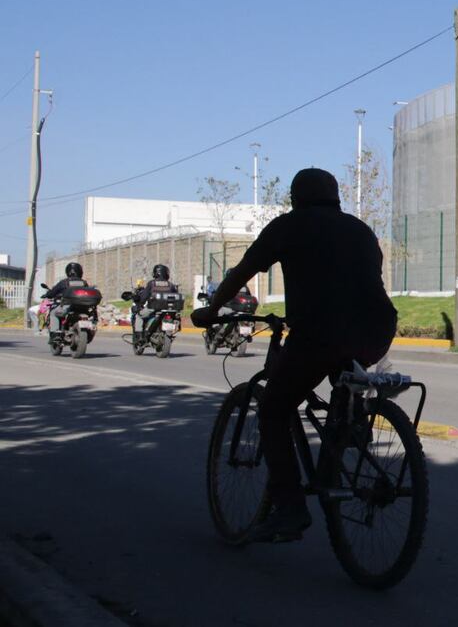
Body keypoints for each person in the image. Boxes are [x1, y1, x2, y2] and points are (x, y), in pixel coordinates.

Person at [192, 167, 397, 543]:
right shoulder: (360, 229)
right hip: (377, 329)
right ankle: (346, 426)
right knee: (343, 374)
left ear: (294, 197)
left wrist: (212, 309)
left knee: (273, 410)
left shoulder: (289, 225)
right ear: (336, 196)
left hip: (320, 333)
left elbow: (242, 272)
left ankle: (290, 508)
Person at [43, 262, 89, 336]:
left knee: (53, 313)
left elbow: (52, 292)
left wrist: (47, 294)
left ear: (67, 271)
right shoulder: (84, 283)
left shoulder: (64, 282)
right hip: (82, 307)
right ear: (80, 271)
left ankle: (55, 334)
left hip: (67, 306)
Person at [134, 265, 178, 336]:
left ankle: (139, 337)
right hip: (168, 308)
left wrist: (140, 304)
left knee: (139, 316)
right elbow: (176, 296)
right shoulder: (171, 285)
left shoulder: (151, 283)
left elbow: (144, 297)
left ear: (155, 273)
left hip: (153, 307)